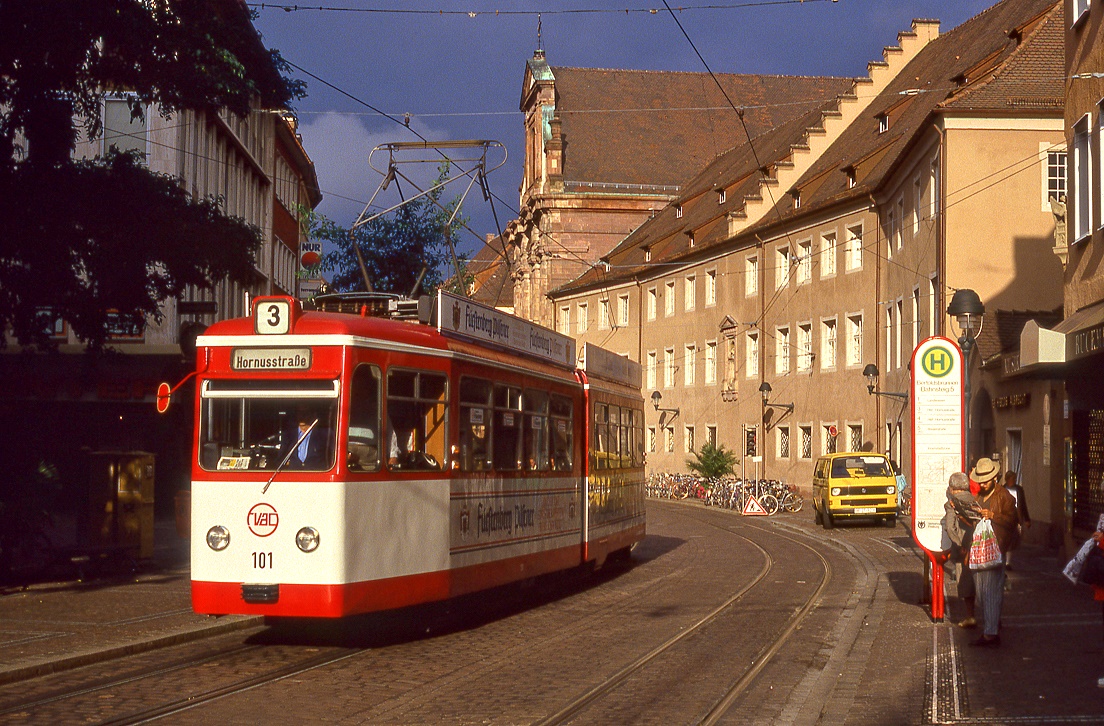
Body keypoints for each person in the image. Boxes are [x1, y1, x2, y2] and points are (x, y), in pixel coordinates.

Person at [968, 457, 1019, 648]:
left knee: (991, 591)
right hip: (979, 549)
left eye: (985, 481)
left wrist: (993, 515)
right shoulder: (979, 496)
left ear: (994, 478)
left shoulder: (1005, 496)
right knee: (982, 592)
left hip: (996, 547)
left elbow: (1012, 521)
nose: (982, 484)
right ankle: (992, 623)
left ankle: (990, 634)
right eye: (980, 480)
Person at [943, 471, 981, 628]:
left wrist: (959, 544)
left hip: (964, 549)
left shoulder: (952, 503)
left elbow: (950, 527)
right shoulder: (975, 500)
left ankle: (970, 616)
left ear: (952, 488)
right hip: (978, 545)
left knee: (965, 581)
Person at [1003, 471, 1031, 569]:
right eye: (1012, 479)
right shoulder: (1002, 489)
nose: (1014, 481)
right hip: (1005, 518)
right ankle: (1004, 561)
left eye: (1015, 479)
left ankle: (1008, 562)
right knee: (1005, 540)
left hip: (1016, 518)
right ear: (1007, 479)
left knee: (1012, 541)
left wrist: (1026, 519)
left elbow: (1023, 505)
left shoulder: (1019, 490)